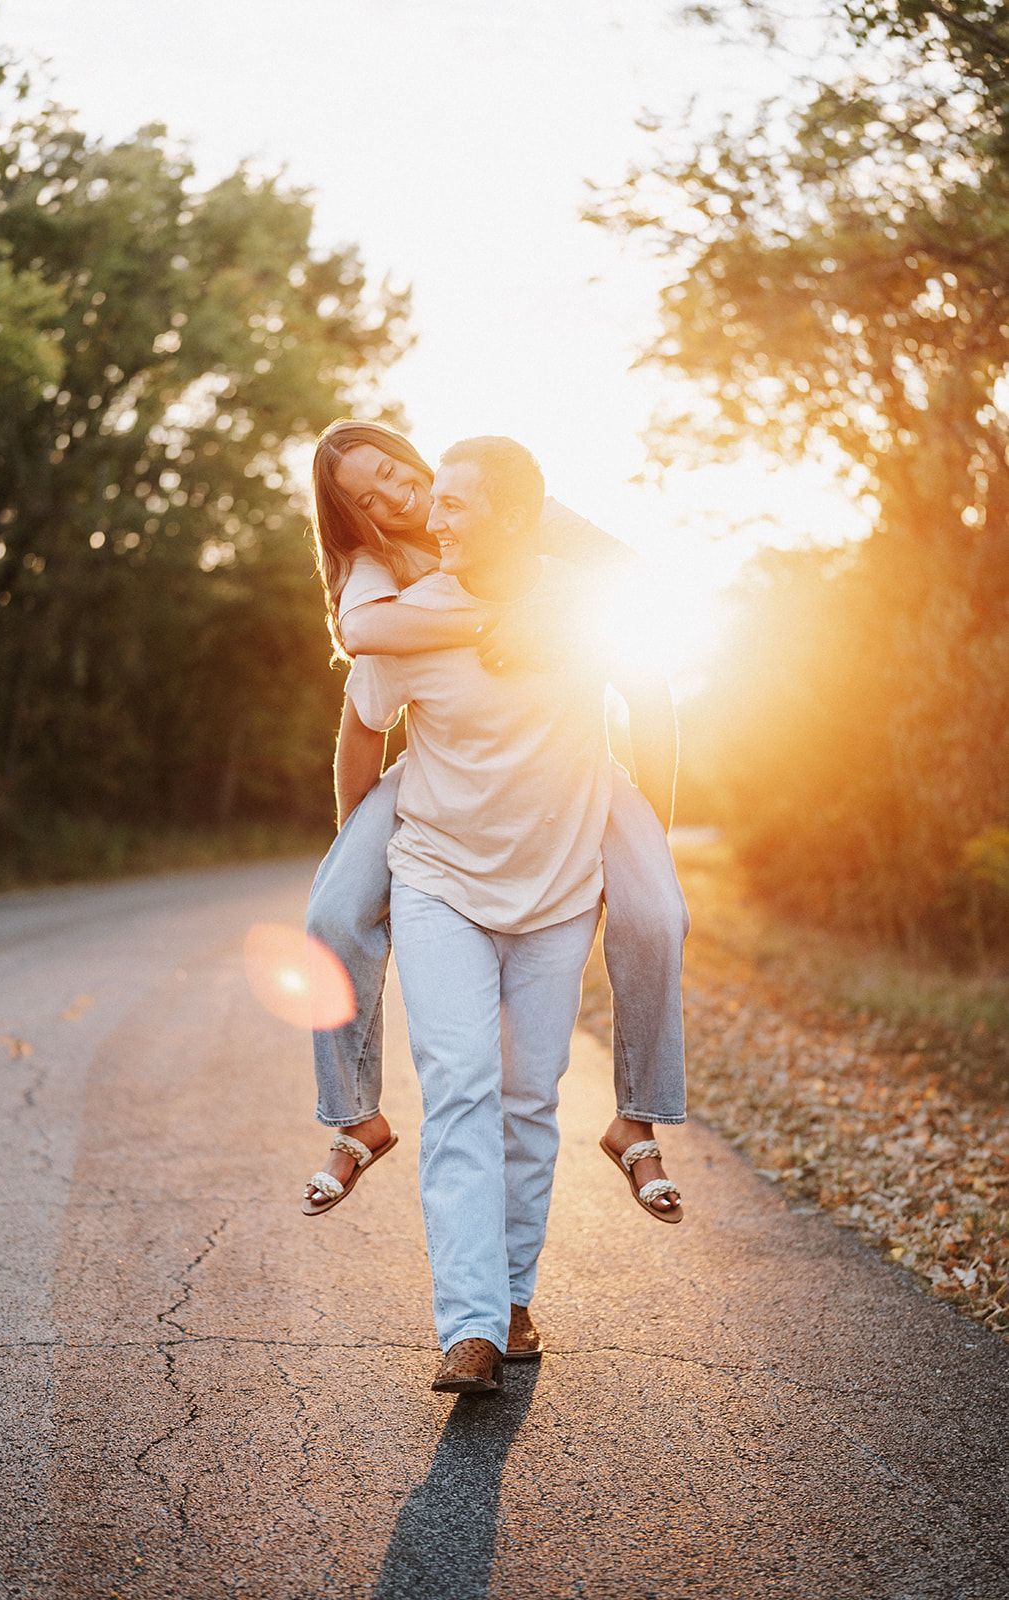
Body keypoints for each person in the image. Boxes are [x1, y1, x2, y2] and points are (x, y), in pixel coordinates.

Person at [326, 437, 679, 1391]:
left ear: (517, 518)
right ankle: (470, 1326)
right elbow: (362, 726)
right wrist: (356, 849)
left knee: (529, 1101)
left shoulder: (574, 608)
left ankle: (515, 1299)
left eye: (452, 506)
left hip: (558, 893)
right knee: (462, 1089)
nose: (424, 520)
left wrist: (642, 827)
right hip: (439, 882)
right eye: (424, 503)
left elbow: (651, 688)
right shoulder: (407, 618)